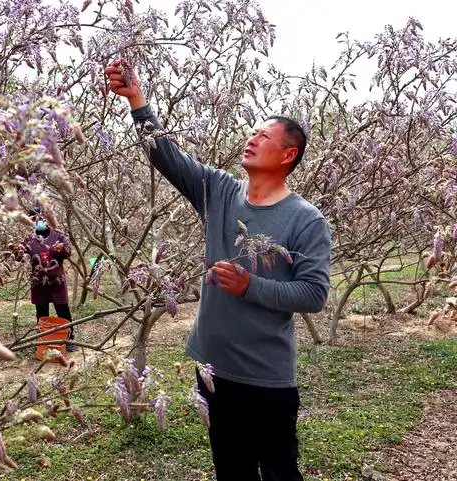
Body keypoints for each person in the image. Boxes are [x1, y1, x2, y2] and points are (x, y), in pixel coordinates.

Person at [104, 59, 332, 481]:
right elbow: (168, 157)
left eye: (263, 136)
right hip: (212, 370)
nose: (251, 139)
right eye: (251, 132)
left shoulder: (306, 219)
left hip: (265, 378)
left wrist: (250, 285)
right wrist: (137, 100)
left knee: (281, 472)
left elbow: (314, 295)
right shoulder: (221, 191)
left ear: (287, 154)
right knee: (231, 470)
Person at [21, 208, 76, 352]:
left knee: (62, 310)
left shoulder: (58, 236)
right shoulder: (29, 239)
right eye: (34, 219)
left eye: (41, 218)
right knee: (41, 312)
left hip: (57, 281)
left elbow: (68, 252)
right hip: (38, 282)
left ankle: (69, 339)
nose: (38, 221)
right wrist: (17, 252)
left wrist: (61, 249)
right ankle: (43, 340)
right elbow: (21, 256)